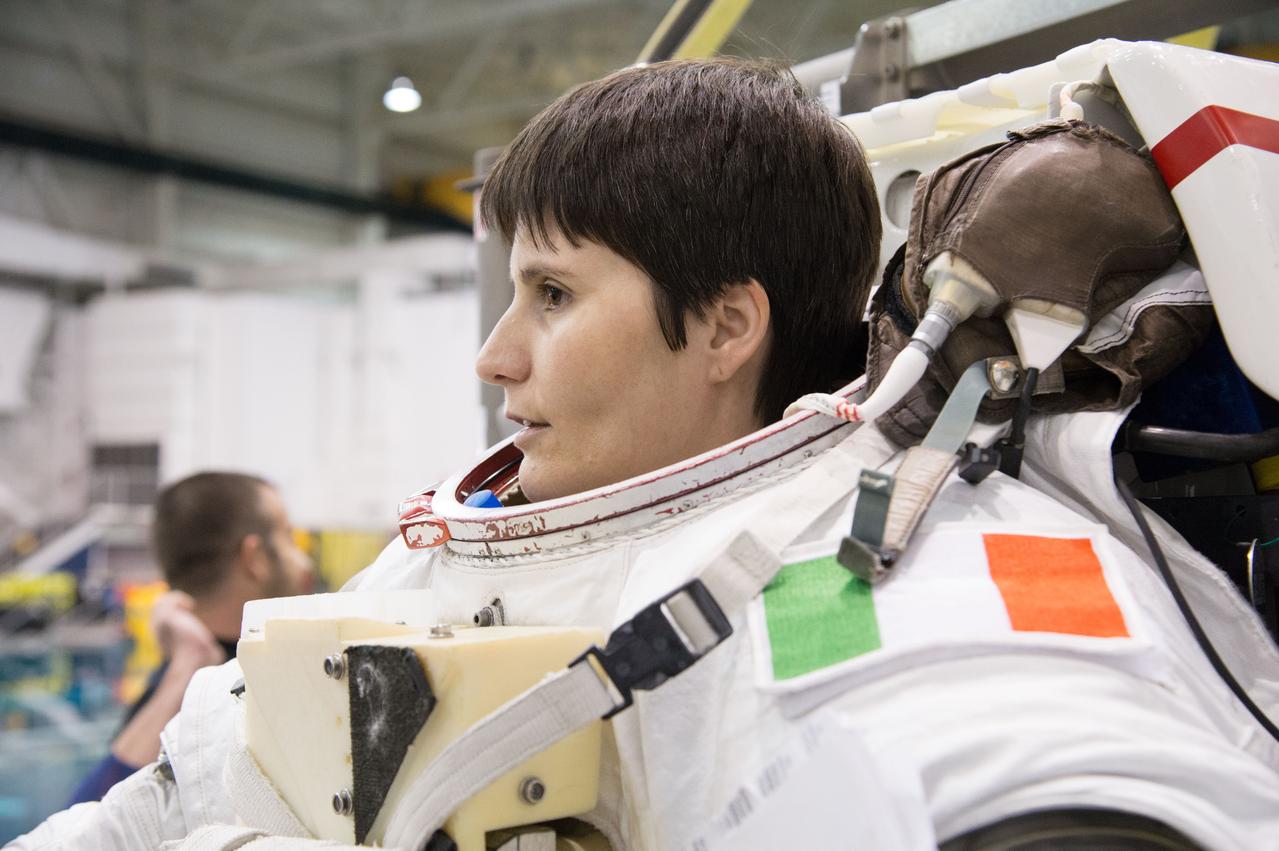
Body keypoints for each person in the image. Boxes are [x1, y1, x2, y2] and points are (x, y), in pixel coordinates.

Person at [14, 55, 1279, 851]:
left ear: (727, 323)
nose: (494, 355)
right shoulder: (434, 572)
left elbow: (1022, 759)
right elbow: (159, 806)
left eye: (554, 296)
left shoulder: (869, 570)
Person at [65, 472, 314, 805]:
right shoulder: (215, 689)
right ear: (253, 559)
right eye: (287, 538)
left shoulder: (163, 699)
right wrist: (189, 665)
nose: (304, 561)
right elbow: (90, 829)